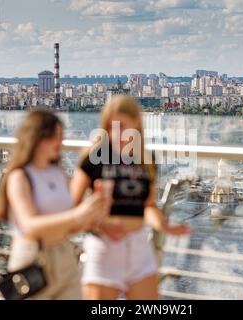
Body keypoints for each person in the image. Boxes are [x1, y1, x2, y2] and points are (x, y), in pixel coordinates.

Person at [70, 95, 190, 300]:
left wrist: (164, 225)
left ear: (136, 122)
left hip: (139, 248)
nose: (115, 133)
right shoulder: (93, 157)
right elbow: (71, 208)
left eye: (121, 126)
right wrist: (99, 224)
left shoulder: (146, 159)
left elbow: (148, 206)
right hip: (104, 248)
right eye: (110, 127)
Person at [0, 110, 110, 300]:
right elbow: (30, 226)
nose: (60, 143)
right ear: (38, 138)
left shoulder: (59, 174)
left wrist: (93, 212)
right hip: (33, 260)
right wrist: (79, 214)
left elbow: (70, 223)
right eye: (56, 136)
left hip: (65, 257)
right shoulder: (20, 177)